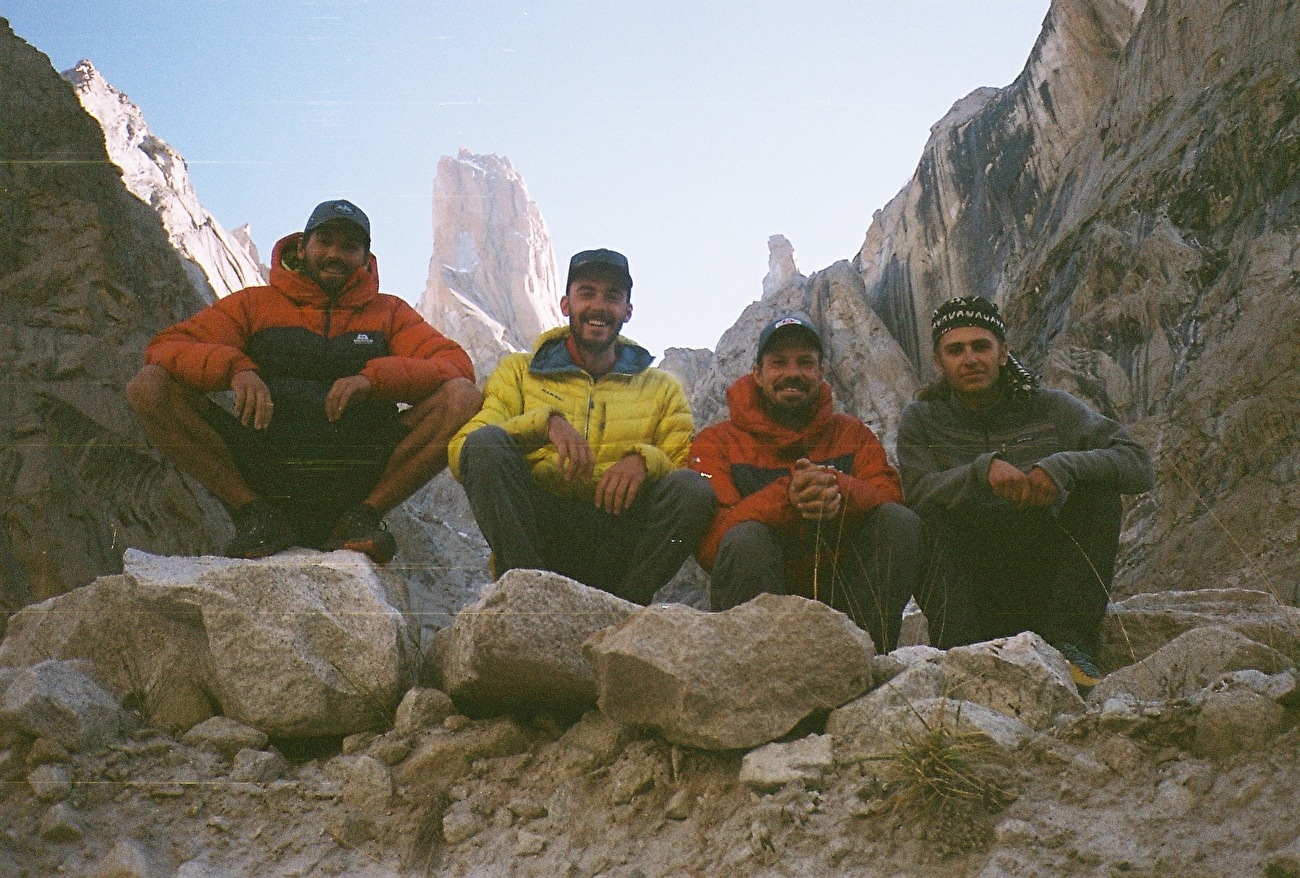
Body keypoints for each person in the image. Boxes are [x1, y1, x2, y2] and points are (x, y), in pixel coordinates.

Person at [127, 199, 482, 563]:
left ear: (365, 259)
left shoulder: (389, 312)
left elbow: (455, 366)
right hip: (266, 465)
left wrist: (373, 380)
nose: (334, 254)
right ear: (302, 246)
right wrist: (236, 369)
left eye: (349, 247)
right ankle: (255, 515)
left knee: (462, 398)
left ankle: (361, 518)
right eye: (324, 241)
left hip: (357, 467)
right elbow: (166, 347)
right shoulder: (254, 304)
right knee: (150, 386)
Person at [896, 296, 1154, 685]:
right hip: (970, 583)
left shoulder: (1050, 408)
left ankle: (1071, 645)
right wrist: (982, 474)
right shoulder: (922, 419)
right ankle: (962, 653)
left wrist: (1062, 467)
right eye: (955, 350)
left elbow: (1136, 464)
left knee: (1096, 491)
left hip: (1046, 577)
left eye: (981, 346)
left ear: (1003, 354)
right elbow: (916, 492)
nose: (970, 359)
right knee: (918, 521)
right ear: (938, 362)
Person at [689, 312, 973, 654]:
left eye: (805, 363)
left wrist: (837, 488)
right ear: (758, 375)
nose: (793, 373)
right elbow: (710, 546)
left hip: (850, 602)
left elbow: (893, 504)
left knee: (899, 523)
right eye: (779, 363)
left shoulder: (852, 434)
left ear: (821, 374)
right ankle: (760, 672)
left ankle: (864, 661)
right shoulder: (715, 442)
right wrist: (787, 498)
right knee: (745, 539)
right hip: (763, 611)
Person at [451, 248, 716, 604]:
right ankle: (529, 596)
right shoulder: (518, 371)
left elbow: (684, 467)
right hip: (540, 528)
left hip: (620, 534)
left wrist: (643, 460)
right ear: (565, 304)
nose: (599, 307)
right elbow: (462, 450)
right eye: (586, 293)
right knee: (486, 445)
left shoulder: (661, 388)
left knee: (693, 490)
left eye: (613, 296)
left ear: (628, 311)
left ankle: (624, 608)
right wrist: (545, 424)